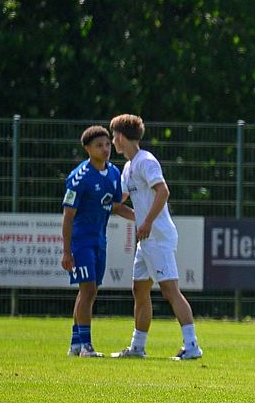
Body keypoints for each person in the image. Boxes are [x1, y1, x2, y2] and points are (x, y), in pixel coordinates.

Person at [108, 114, 203, 360]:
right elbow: (118, 203)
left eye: (113, 137)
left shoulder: (146, 161)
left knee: (170, 291)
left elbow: (163, 191)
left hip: (158, 237)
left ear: (121, 137)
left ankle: (192, 346)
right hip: (146, 240)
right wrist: (107, 204)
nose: (112, 142)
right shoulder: (128, 168)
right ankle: (137, 347)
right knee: (139, 289)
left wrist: (147, 222)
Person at [62, 125, 135, 357]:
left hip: (100, 240)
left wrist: (139, 218)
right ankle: (86, 345)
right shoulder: (79, 177)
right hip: (81, 241)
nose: (105, 149)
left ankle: (76, 344)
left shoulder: (113, 173)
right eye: (98, 146)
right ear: (87, 148)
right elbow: (68, 216)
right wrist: (67, 251)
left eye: (106, 144)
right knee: (88, 289)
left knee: (89, 292)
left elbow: (115, 206)